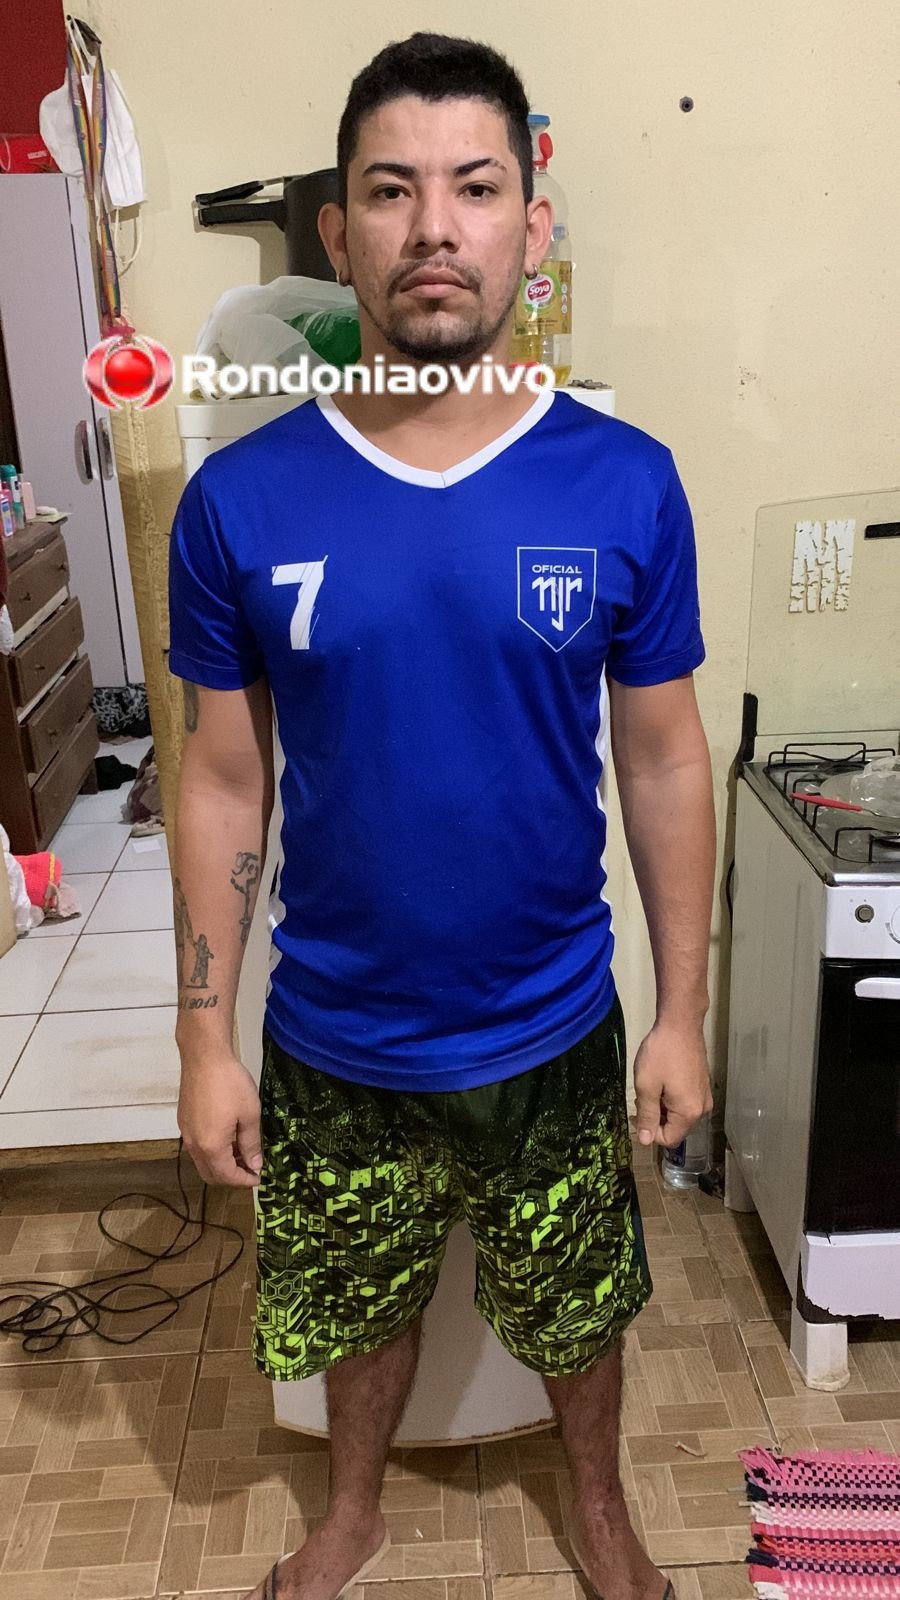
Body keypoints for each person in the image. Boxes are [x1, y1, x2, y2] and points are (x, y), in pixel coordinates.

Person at [169, 31, 715, 1600]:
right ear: (337, 230)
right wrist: (203, 1040)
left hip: (553, 1026)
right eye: (391, 189)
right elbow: (221, 779)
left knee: (581, 1303)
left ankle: (597, 1509)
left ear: (529, 225)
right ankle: (351, 1513)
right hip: (335, 1035)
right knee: (354, 1305)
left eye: (475, 187)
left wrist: (682, 1014)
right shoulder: (240, 501)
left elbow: (665, 761)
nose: (433, 227)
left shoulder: (624, 484)